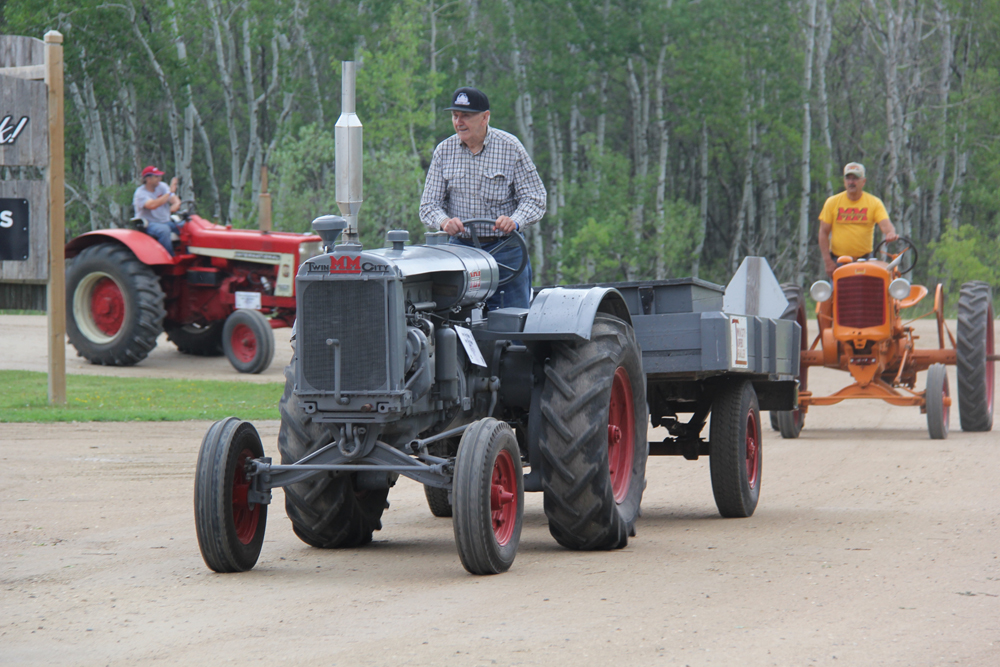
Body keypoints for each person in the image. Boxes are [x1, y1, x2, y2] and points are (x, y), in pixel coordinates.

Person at [419, 87, 546, 310]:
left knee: (512, 319)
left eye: (466, 116)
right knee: (454, 318)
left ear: (485, 117)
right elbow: (428, 205)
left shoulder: (510, 147)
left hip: (505, 250)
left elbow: (535, 199)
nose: (459, 122)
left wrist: (515, 221)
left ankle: (513, 344)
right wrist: (445, 222)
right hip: (460, 252)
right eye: (455, 116)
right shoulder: (443, 151)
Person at [817, 162, 899, 277]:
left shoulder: (874, 203)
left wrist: (890, 233)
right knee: (836, 294)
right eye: (848, 178)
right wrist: (827, 261)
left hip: (865, 261)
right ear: (844, 181)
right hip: (839, 262)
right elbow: (823, 232)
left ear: (863, 181)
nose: (851, 182)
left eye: (855, 179)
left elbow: (886, 225)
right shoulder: (832, 202)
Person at [133, 165, 182, 255]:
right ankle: (169, 258)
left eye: (159, 176)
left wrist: (176, 203)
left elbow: (173, 199)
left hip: (165, 220)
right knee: (164, 231)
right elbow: (152, 205)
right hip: (149, 223)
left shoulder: (162, 186)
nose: (159, 178)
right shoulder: (140, 193)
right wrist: (170, 192)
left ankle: (188, 254)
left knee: (186, 226)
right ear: (148, 179)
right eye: (156, 176)